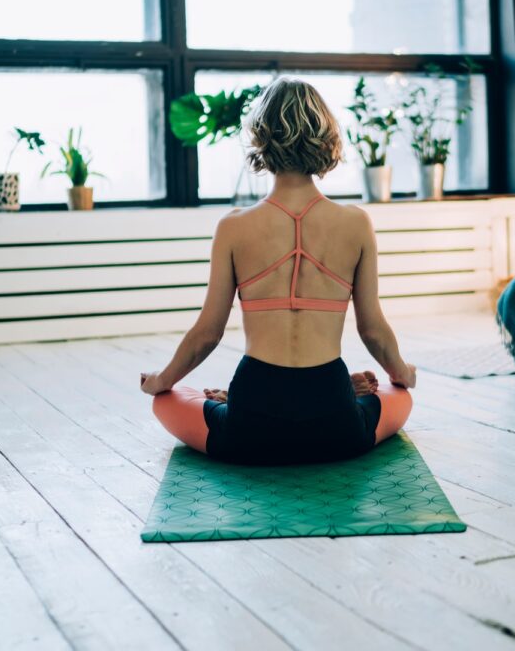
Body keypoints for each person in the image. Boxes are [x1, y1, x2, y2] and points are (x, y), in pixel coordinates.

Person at [141, 78, 416, 465]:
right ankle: (348, 391)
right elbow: (372, 329)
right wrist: (402, 373)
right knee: (399, 396)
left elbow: (207, 333)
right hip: (334, 423)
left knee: (166, 402)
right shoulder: (356, 223)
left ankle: (229, 401)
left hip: (251, 426)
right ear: (325, 138)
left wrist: (162, 381)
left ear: (261, 139)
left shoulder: (234, 227)